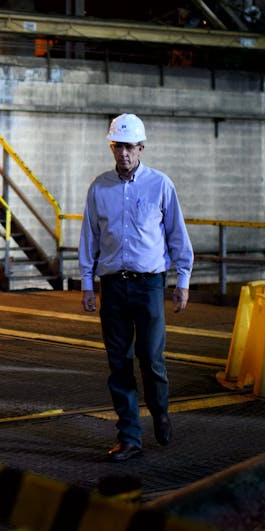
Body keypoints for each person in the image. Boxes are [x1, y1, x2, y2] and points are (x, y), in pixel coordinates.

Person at [77, 113, 193, 462]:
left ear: (141, 148)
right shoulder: (99, 187)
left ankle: (159, 410)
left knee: (151, 358)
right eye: (117, 146)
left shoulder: (160, 185)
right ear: (112, 147)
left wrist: (182, 281)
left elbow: (177, 236)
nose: (123, 153)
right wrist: (86, 283)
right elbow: (89, 238)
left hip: (149, 286)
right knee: (119, 363)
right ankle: (129, 436)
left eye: (129, 147)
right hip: (113, 286)